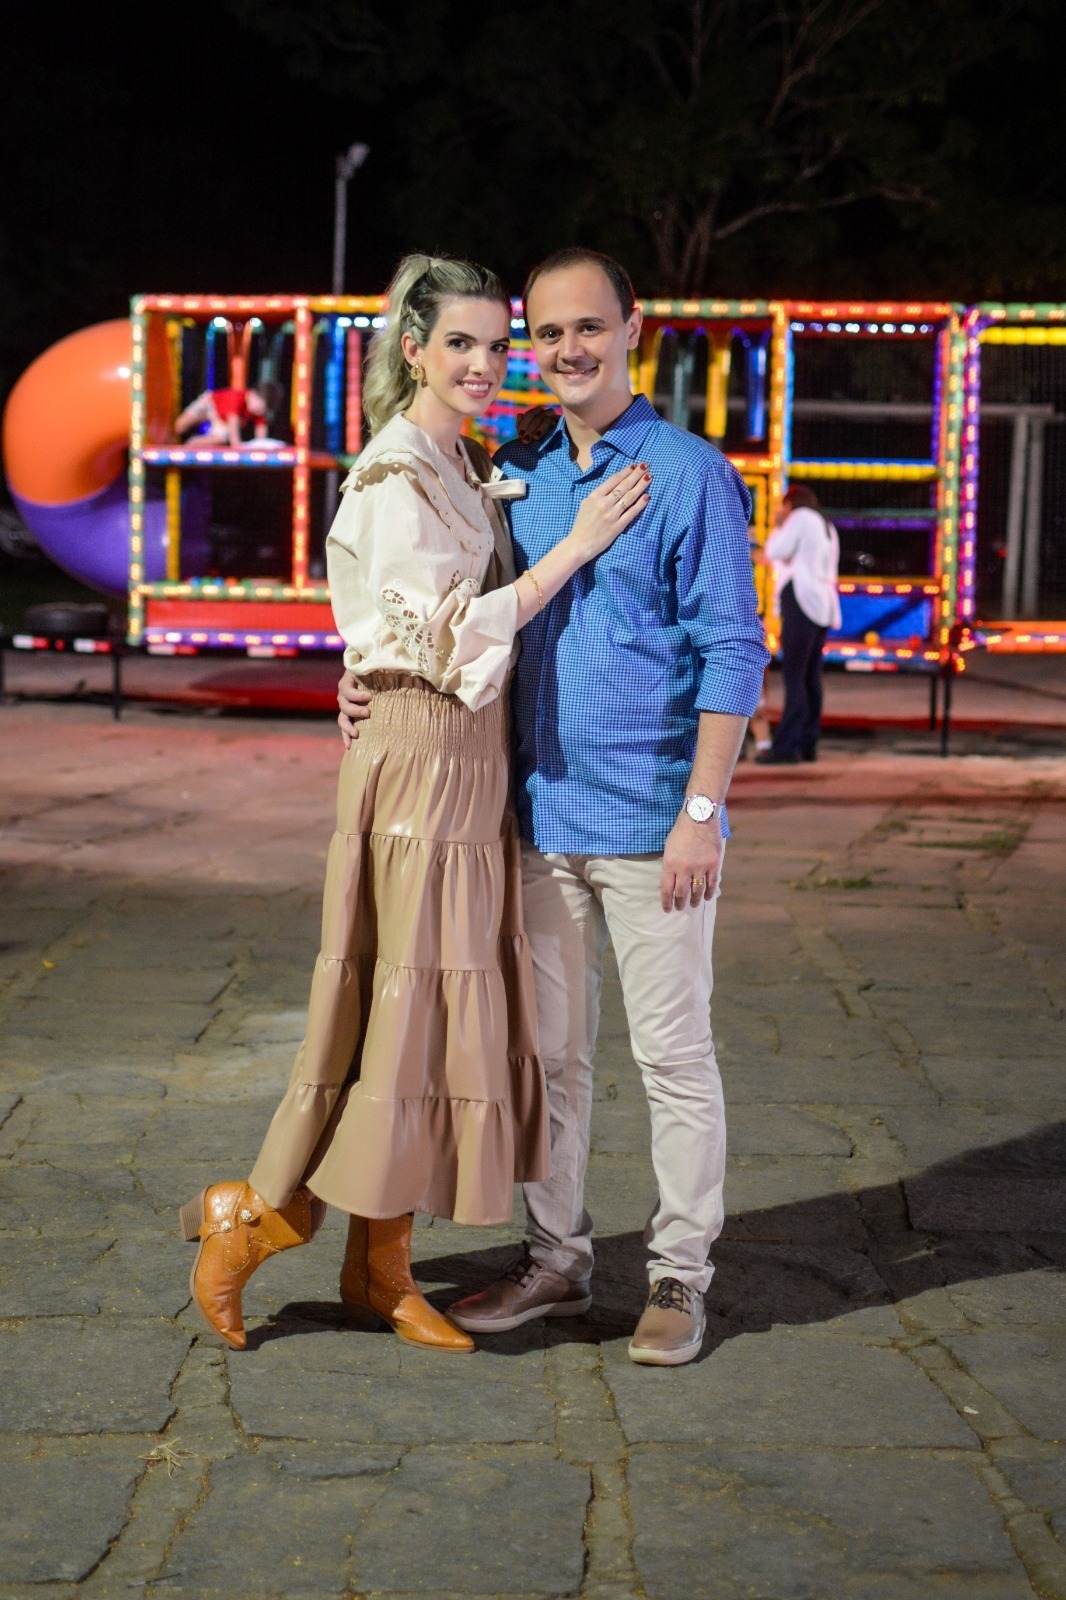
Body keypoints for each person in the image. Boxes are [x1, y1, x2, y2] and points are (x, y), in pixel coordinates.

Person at [181, 254, 650, 1356]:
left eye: (496, 344)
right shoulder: (395, 470)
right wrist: (576, 547)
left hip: (465, 762)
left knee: (420, 1025)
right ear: (414, 350)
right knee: (390, 1016)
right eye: (460, 344)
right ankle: (255, 1216)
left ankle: (377, 1265)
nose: (484, 364)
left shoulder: (464, 459)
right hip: (423, 761)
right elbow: (443, 637)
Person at [340, 248, 769, 1366]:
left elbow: (734, 646)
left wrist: (702, 811)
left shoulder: (686, 473)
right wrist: (372, 675)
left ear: (632, 329)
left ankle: (678, 1276)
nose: (566, 350)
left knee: (674, 1059)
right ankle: (557, 1257)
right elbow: (450, 606)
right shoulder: (516, 464)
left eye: (588, 327)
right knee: (553, 1062)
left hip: (652, 823)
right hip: (535, 818)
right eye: (545, 332)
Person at [755, 483, 841, 764]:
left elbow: (776, 550)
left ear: (790, 504)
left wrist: (780, 526)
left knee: (794, 677)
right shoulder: (826, 525)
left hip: (802, 600)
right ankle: (807, 743)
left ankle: (787, 746)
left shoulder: (800, 519)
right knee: (810, 677)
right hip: (823, 603)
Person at [174, 378, 282, 448]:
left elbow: (261, 434)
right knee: (179, 426)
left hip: (222, 420)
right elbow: (233, 424)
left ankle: (190, 444)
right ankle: (170, 440)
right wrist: (237, 444)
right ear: (253, 394)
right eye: (259, 408)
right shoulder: (237, 398)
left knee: (220, 439)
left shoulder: (257, 412)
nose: (260, 412)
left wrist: (261, 446)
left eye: (263, 410)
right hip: (209, 405)